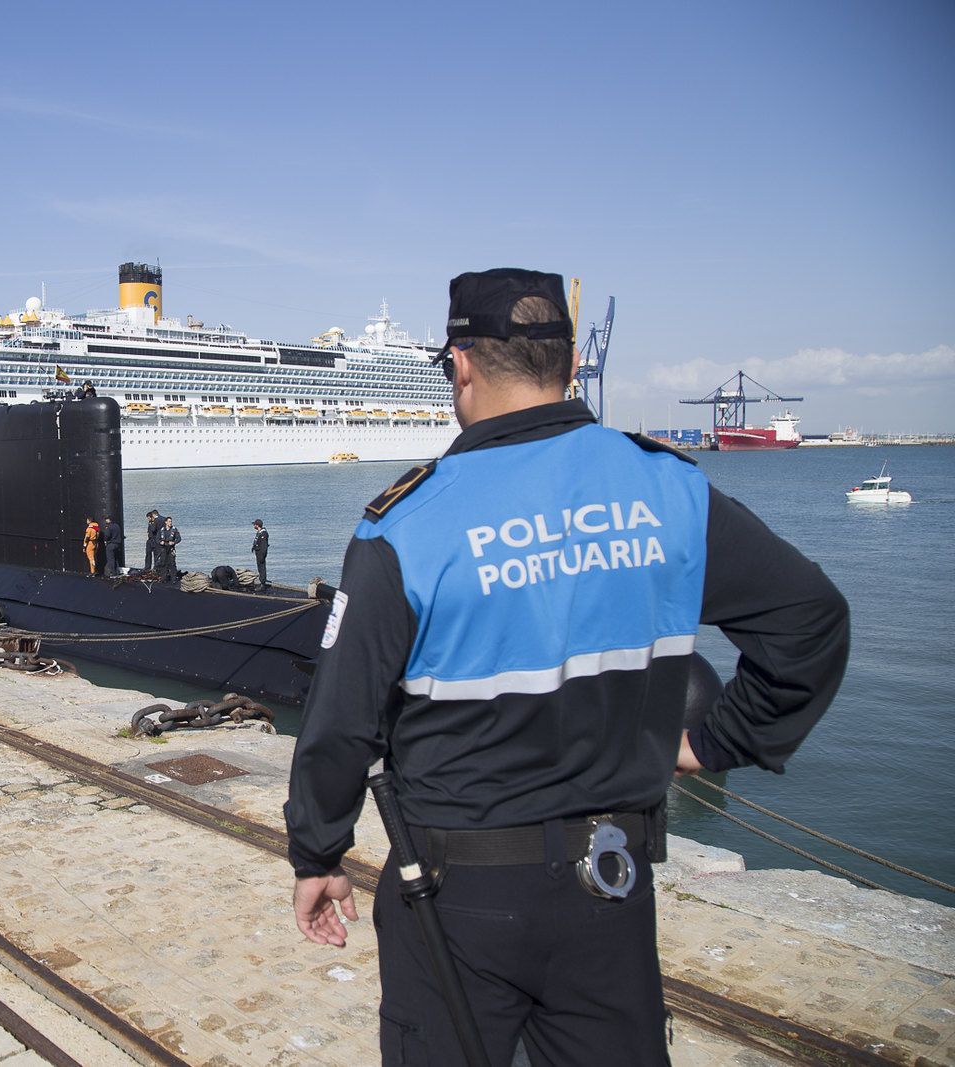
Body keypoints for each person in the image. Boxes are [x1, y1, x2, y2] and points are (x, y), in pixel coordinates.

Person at [284, 268, 850, 1066]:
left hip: (455, 894)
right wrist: (716, 742)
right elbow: (811, 619)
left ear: (462, 364)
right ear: (573, 362)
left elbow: (341, 721)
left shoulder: (409, 524)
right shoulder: (667, 490)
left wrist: (317, 852)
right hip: (609, 883)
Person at [157, 515, 181, 583]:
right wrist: (160, 542)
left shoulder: (174, 530)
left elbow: (179, 538)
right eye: (169, 521)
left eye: (171, 521)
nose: (170, 523)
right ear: (166, 522)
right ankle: (163, 578)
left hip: (171, 548)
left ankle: (173, 579)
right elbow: (157, 539)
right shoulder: (161, 530)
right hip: (163, 548)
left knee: (172, 564)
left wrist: (173, 542)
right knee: (163, 563)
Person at [251, 519, 269, 587]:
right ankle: (261, 579)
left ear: (257, 525)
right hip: (258, 552)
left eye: (254, 525)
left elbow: (264, 546)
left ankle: (262, 582)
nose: (254, 526)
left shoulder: (263, 533)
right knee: (259, 567)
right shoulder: (259, 532)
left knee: (262, 567)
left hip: (261, 553)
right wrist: (253, 548)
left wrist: (263, 555)